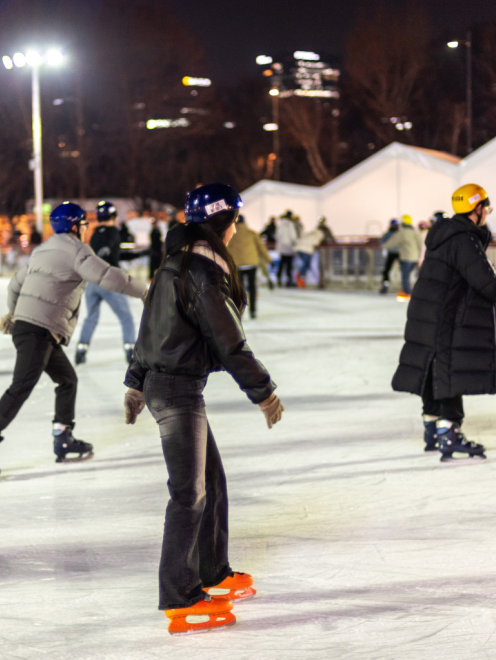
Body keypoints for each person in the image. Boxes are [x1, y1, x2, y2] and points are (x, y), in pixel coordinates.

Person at [122, 183, 282, 635]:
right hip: (175, 390)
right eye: (233, 222)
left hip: (171, 384)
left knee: (211, 481)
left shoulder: (176, 263)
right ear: (221, 223)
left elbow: (150, 326)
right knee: (188, 494)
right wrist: (264, 392)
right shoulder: (200, 271)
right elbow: (229, 343)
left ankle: (213, 572)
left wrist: (136, 383)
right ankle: (180, 597)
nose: (235, 231)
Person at [0, 202, 147, 481]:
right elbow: (108, 276)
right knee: (21, 386)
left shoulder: (43, 249)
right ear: (75, 227)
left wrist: (14, 315)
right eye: (84, 225)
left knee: (67, 379)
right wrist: (145, 291)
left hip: (34, 328)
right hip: (38, 329)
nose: (85, 230)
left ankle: (63, 438)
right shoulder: (77, 251)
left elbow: (14, 284)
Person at [392, 184, 496, 463]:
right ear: (477, 209)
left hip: (426, 312)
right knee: (448, 371)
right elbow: (485, 281)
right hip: (444, 315)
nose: (487, 215)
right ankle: (449, 432)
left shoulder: (441, 236)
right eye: (487, 209)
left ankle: (432, 428)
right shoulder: (463, 239)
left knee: (432, 368)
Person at [76, 201, 138, 366]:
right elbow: (113, 253)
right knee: (126, 318)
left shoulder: (95, 233)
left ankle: (81, 350)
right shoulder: (113, 232)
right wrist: (144, 253)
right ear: (113, 216)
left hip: (92, 281)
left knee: (91, 318)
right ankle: (130, 350)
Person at [227, 214, 271, 319]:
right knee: (252, 288)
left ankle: (239, 311)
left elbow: (227, 248)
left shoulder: (232, 234)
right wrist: (268, 259)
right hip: (251, 263)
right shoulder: (252, 233)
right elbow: (261, 247)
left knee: (239, 290)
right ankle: (253, 311)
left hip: (237, 265)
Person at [381, 214, 422, 299]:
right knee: (409, 275)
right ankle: (410, 291)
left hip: (406, 257)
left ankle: (407, 293)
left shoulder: (402, 233)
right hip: (415, 258)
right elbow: (420, 244)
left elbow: (393, 241)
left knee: (405, 276)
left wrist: (383, 247)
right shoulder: (414, 232)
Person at [292, 217, 332, 289]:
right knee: (306, 264)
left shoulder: (315, 231)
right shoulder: (319, 234)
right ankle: (300, 276)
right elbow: (316, 242)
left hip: (300, 248)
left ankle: (301, 277)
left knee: (306, 264)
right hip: (306, 249)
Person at [275, 212, 299, 287]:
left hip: (282, 248)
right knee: (289, 265)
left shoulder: (280, 224)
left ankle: (278, 277)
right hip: (289, 248)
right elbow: (293, 236)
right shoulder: (291, 224)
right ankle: (289, 281)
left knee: (282, 263)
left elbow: (277, 235)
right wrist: (295, 243)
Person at [379, 219, 401, 295]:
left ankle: (404, 287)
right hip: (391, 253)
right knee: (386, 270)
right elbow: (382, 242)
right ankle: (385, 285)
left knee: (404, 271)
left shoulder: (400, 233)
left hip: (401, 253)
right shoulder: (387, 234)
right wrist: (384, 249)